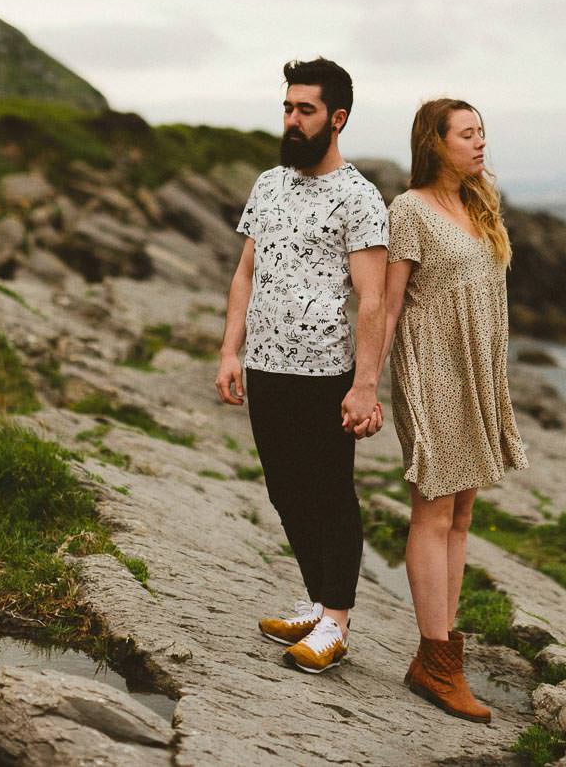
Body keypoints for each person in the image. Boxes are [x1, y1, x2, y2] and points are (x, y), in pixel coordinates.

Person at [215, 57, 388, 675]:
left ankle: (336, 623)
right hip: (264, 365)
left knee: (330, 493)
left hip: (325, 373)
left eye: (305, 110)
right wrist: (231, 349)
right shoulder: (268, 184)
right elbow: (245, 272)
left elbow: (373, 298)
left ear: (336, 119)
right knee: (285, 491)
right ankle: (317, 602)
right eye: (287, 108)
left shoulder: (361, 198)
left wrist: (365, 385)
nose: (292, 119)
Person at [381, 98, 528, 723]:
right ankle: (437, 661)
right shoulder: (409, 210)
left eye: (483, 133)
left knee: (462, 512)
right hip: (430, 371)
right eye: (467, 134)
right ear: (435, 142)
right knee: (433, 509)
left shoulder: (477, 205)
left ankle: (440, 656)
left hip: (476, 372)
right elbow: (387, 306)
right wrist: (363, 385)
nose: (480, 143)